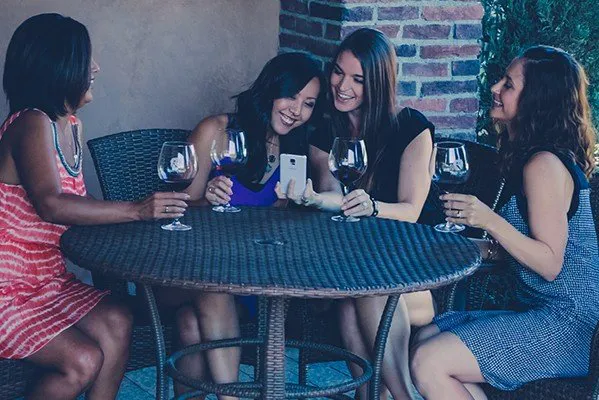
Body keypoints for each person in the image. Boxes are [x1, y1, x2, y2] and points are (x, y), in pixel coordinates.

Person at [0, 14, 190, 400]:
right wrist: (136, 210)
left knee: (118, 319)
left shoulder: (70, 124)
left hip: (48, 282)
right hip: (8, 290)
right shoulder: (31, 123)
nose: (96, 68)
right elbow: (53, 205)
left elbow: (78, 203)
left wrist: (140, 220)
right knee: (83, 360)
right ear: (59, 67)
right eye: (87, 59)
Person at [410, 45, 599, 400]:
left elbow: (549, 263)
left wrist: (488, 219)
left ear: (535, 101)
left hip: (570, 324)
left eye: (508, 84)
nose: (495, 87)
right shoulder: (528, 156)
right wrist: (470, 248)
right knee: (424, 339)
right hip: (539, 312)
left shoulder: (543, 165)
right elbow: (520, 246)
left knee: (429, 360)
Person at [279, 28, 436, 399]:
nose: (341, 86)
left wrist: (373, 207)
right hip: (353, 269)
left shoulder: (411, 128)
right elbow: (332, 191)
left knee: (366, 289)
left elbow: (412, 211)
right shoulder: (326, 129)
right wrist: (314, 198)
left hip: (416, 275)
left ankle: (402, 395)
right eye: (338, 72)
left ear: (378, 83)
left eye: (358, 79)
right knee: (351, 304)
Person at [159, 52, 324, 399]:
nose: (297, 109)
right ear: (269, 90)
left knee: (191, 324)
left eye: (308, 103)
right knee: (211, 287)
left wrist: (297, 206)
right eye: (291, 96)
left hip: (253, 281)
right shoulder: (215, 131)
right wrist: (206, 198)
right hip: (188, 271)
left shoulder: (297, 150)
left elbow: (300, 225)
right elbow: (174, 210)